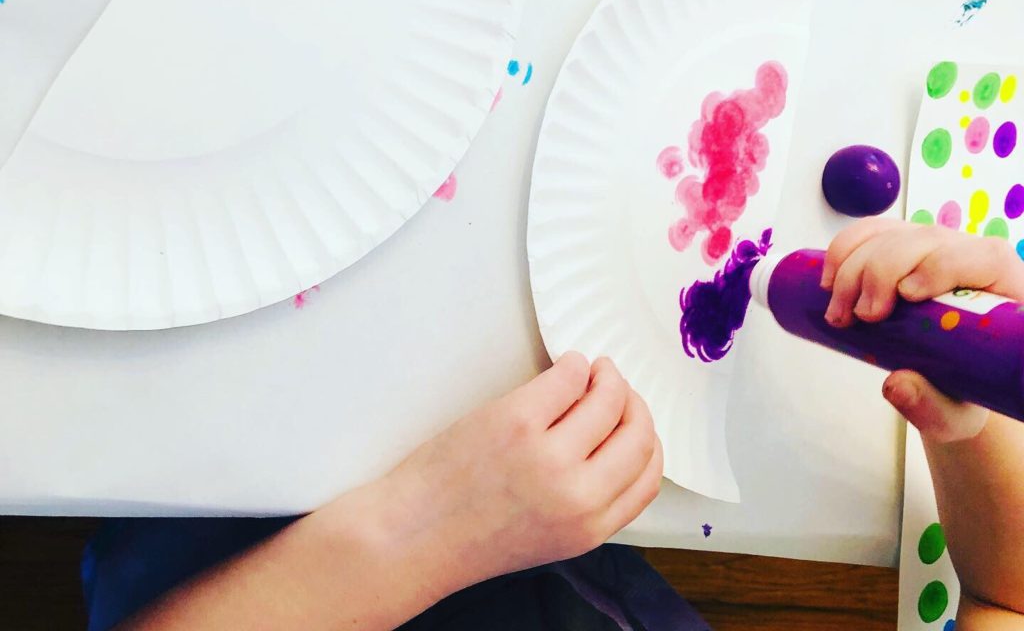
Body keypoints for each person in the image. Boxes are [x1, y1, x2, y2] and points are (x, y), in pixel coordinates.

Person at [85, 220, 1024, 630]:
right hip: (533, 529)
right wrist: (969, 397)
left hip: (243, 552)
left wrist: (417, 535)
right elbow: (1006, 599)